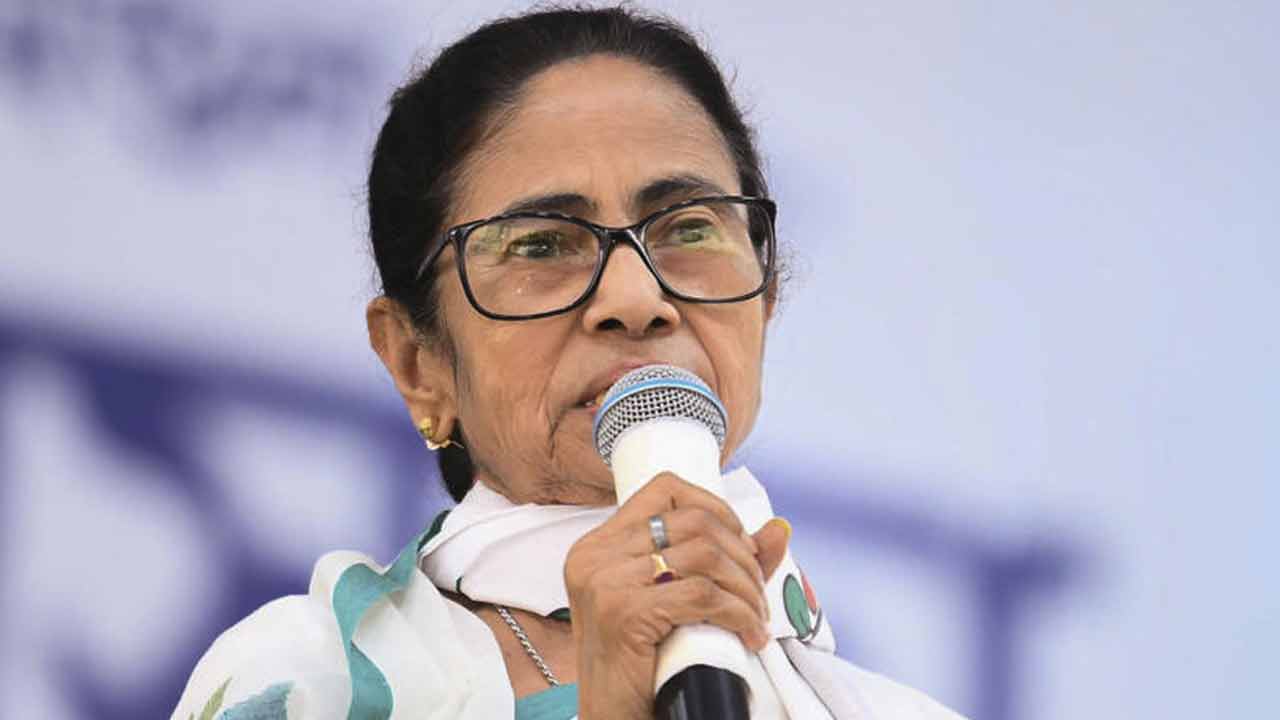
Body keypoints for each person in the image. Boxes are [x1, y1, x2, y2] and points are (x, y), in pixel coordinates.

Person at [171, 6, 967, 720]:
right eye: (542, 245)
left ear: (766, 298)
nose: (636, 298)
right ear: (418, 363)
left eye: (690, 229)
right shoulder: (312, 683)